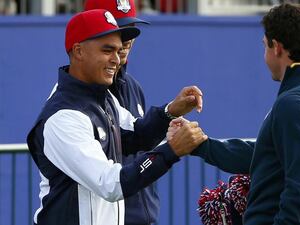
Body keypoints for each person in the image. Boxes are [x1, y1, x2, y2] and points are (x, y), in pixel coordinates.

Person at [168, 3, 300, 225]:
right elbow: (266, 154)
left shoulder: (296, 103)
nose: (264, 55)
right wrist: (201, 145)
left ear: (277, 47)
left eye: (265, 46)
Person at [27, 9, 207, 225]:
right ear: (78, 51)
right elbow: (111, 184)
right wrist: (171, 150)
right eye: (107, 50)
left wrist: (170, 111)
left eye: (118, 50)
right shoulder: (63, 116)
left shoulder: (102, 98)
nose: (116, 59)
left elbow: (136, 136)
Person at [83, 1, 200, 224]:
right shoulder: (77, 101)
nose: (127, 40)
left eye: (132, 29)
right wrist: (170, 148)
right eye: (119, 29)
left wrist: (169, 119)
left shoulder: (132, 86)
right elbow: (109, 173)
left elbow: (138, 138)